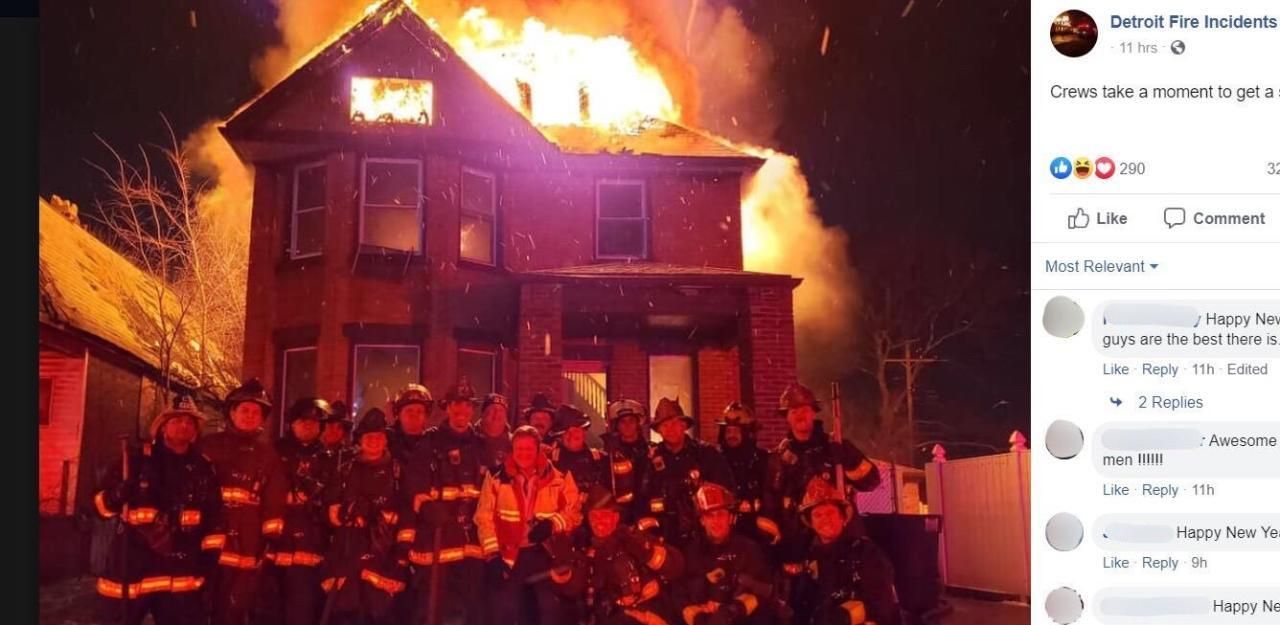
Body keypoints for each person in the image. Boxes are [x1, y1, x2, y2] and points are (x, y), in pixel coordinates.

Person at [91, 395, 220, 625]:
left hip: (182, 572)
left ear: (196, 431)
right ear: (162, 427)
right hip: (132, 566)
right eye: (177, 420)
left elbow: (213, 518)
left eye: (190, 422)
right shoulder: (135, 460)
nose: (184, 426)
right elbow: (98, 506)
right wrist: (117, 494)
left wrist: (208, 563)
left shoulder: (204, 469)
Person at [767, 383, 881, 625]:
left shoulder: (836, 446)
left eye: (804, 409)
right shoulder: (778, 458)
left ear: (814, 412)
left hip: (842, 543)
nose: (800, 414)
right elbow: (775, 505)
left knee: (847, 606)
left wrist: (848, 462)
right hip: (802, 548)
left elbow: (872, 480)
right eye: (793, 410)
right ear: (786, 416)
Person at [200, 379, 288, 625]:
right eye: (245, 410)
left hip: (249, 545)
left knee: (236, 608)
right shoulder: (208, 446)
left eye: (256, 412)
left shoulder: (268, 456)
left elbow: (274, 501)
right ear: (232, 412)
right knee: (201, 604)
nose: (250, 416)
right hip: (207, 539)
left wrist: (269, 543)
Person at [475, 425, 581, 625]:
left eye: (529, 449)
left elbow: (574, 512)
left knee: (548, 611)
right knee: (506, 612)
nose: (524, 454)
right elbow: (484, 516)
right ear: (511, 450)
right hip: (509, 557)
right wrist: (492, 556)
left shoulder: (559, 476)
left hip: (546, 554)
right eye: (519, 449)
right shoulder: (496, 477)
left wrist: (553, 524)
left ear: (539, 449)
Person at [401, 379, 487, 625]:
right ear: (447, 408)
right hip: (435, 537)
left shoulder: (480, 445)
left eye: (467, 406)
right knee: (431, 606)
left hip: (470, 540)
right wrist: (427, 507)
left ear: (472, 410)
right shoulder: (429, 442)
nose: (462, 411)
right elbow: (413, 483)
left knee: (468, 607)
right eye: (456, 405)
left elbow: (490, 488)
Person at [320, 408, 408, 625]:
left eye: (379, 437)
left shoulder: (398, 471)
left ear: (386, 440)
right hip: (349, 549)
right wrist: (348, 511)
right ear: (360, 440)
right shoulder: (345, 469)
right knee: (345, 610)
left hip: (385, 552)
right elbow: (330, 512)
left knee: (380, 611)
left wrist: (401, 551)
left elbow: (407, 513)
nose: (374, 441)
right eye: (369, 437)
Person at [550, 484, 685, 625]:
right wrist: (563, 571)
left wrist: (656, 575)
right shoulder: (589, 554)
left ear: (616, 517)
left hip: (653, 613)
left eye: (605, 516)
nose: (599, 523)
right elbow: (573, 585)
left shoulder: (635, 538)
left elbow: (677, 566)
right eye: (594, 517)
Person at [263, 398, 336, 625]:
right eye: (303, 421)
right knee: (268, 609)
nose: (308, 426)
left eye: (315, 422)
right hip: (273, 546)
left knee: (303, 610)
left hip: (311, 547)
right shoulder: (273, 454)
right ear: (291, 424)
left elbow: (333, 501)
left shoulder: (330, 460)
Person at [799, 478, 901, 625]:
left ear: (843, 518)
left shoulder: (866, 553)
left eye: (830, 513)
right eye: (818, 515)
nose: (825, 520)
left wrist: (841, 617)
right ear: (811, 523)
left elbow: (881, 605)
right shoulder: (810, 557)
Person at [640, 397, 734, 548]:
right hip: (666, 537)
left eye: (675, 423)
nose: (670, 428)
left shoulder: (706, 454)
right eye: (665, 425)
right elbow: (644, 498)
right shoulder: (652, 459)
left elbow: (726, 492)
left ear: (684, 425)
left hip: (703, 537)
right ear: (659, 430)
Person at [679, 483, 777, 625]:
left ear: (731, 518)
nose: (716, 520)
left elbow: (763, 593)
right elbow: (680, 596)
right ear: (702, 521)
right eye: (709, 515)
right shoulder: (690, 553)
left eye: (721, 514)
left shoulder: (749, 550)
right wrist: (698, 614)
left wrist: (732, 611)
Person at [716, 402, 781, 549]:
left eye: (736, 431)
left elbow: (774, 501)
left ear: (748, 433)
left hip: (760, 537)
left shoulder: (765, 460)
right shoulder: (715, 461)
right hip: (725, 536)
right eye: (728, 431)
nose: (731, 436)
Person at [601, 399, 650, 523]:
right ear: (616, 426)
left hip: (646, 512)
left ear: (638, 424)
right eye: (622, 422)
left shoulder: (651, 452)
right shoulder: (608, 455)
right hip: (619, 515)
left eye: (631, 421)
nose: (627, 425)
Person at [389, 383, 433, 464]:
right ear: (398, 414)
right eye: (409, 411)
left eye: (419, 411)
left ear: (426, 416)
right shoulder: (387, 442)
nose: (414, 415)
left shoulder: (434, 442)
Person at [476, 393, 513, 469]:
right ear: (482, 414)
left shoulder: (514, 443)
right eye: (492, 410)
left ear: (506, 417)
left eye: (501, 411)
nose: (496, 414)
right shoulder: (469, 438)